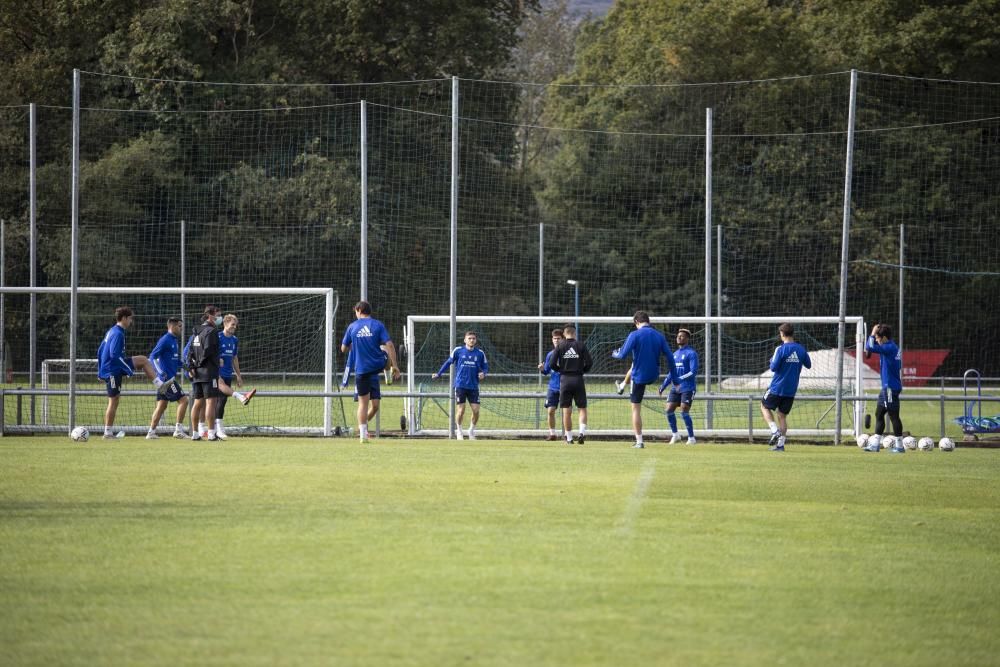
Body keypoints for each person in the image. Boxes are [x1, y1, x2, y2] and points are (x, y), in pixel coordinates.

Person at [612, 311, 678, 449]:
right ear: (649, 321)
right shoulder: (659, 336)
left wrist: (615, 353)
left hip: (639, 378)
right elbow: (670, 358)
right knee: (635, 364)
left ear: (636, 322)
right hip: (654, 375)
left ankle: (639, 441)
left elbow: (623, 355)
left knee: (635, 409)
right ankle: (623, 384)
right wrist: (675, 380)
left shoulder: (634, 335)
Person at [341, 300, 400, 443]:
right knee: (385, 349)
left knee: (363, 404)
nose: (355, 313)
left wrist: (354, 345)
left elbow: (343, 349)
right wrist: (396, 366)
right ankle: (388, 373)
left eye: (355, 311)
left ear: (359, 310)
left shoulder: (352, 327)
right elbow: (390, 345)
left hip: (361, 370)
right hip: (377, 364)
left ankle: (362, 436)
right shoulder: (378, 325)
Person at [96, 306, 158, 440]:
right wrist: (127, 370)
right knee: (113, 400)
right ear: (124, 318)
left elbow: (100, 350)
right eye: (130, 318)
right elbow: (114, 355)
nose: (131, 321)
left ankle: (160, 386)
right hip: (112, 369)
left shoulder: (113, 330)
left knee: (143, 360)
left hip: (115, 366)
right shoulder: (117, 333)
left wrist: (99, 370)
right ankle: (107, 433)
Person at [760, 323, 812, 452]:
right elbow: (809, 365)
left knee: (764, 406)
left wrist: (772, 360)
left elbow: (773, 368)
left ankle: (774, 431)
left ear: (782, 334)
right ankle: (780, 445)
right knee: (782, 416)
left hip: (777, 387)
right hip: (791, 389)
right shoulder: (801, 349)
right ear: (792, 333)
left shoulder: (780, 349)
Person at [432, 330, 489, 440]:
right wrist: (439, 373)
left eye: (473, 338)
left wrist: (484, 373)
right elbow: (448, 362)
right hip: (460, 385)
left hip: (473, 387)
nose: (471, 340)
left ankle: (471, 431)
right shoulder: (458, 351)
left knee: (476, 411)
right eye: (469, 338)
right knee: (461, 410)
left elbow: (486, 367)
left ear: (475, 340)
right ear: (465, 340)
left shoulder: (480, 353)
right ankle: (459, 431)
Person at [215, 313, 258, 439]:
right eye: (233, 324)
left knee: (222, 402)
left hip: (228, 374)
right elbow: (211, 353)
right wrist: (218, 361)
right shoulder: (217, 337)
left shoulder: (235, 340)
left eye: (236, 325)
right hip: (217, 374)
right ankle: (217, 429)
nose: (235, 327)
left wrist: (238, 376)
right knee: (218, 401)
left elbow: (234, 358)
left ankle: (215, 429)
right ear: (225, 323)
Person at [146, 317, 189, 439]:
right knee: (184, 401)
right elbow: (152, 357)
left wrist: (188, 367)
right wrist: (160, 372)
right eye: (180, 326)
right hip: (167, 381)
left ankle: (151, 432)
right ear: (172, 326)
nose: (181, 329)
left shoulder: (174, 340)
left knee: (161, 406)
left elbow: (176, 360)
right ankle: (178, 431)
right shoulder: (165, 340)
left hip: (166, 380)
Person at [865, 322, 904, 453]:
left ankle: (899, 446)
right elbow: (870, 347)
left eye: (877, 338)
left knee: (893, 416)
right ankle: (875, 444)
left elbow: (870, 347)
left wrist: (871, 333)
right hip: (886, 387)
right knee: (879, 413)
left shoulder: (889, 348)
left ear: (884, 337)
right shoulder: (889, 346)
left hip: (890, 388)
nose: (876, 340)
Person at [186, 305, 223, 441]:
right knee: (211, 402)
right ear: (211, 316)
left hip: (196, 373)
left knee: (197, 403)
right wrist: (203, 363)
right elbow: (208, 351)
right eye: (218, 315)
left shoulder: (196, 331)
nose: (220, 318)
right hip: (208, 372)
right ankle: (212, 434)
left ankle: (195, 434)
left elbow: (190, 352)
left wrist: (192, 367)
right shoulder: (211, 331)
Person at [552, 324, 592, 444]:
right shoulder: (581, 345)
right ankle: (581, 433)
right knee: (582, 408)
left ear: (564, 334)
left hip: (565, 380)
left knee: (566, 410)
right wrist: (582, 371)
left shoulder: (560, 345)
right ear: (574, 333)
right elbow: (589, 362)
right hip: (578, 379)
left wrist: (561, 370)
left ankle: (569, 438)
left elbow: (551, 364)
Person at [659, 328, 699, 444]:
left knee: (684, 411)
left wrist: (679, 379)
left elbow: (693, 372)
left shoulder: (692, 353)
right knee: (668, 410)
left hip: (688, 387)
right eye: (678, 336)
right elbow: (671, 373)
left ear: (687, 339)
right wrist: (663, 386)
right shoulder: (674, 354)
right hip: (675, 388)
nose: (679, 337)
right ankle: (675, 435)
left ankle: (691, 438)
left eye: (681, 336)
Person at [537, 328, 565, 441]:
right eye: (554, 339)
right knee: (550, 410)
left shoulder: (567, 353)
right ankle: (552, 434)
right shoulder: (550, 355)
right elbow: (546, 371)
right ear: (552, 340)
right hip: (552, 387)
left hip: (564, 387)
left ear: (563, 339)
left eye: (558, 338)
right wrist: (542, 369)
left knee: (565, 412)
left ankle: (566, 435)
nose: (556, 340)